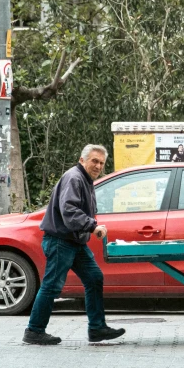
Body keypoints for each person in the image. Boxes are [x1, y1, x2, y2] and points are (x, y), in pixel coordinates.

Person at [23, 145, 126, 346]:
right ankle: (34, 331)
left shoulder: (85, 180)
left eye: (101, 163)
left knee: (94, 277)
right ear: (82, 160)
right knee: (52, 286)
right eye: (94, 161)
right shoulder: (75, 178)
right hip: (60, 241)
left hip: (74, 242)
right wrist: (92, 226)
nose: (98, 166)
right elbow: (69, 210)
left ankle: (97, 328)